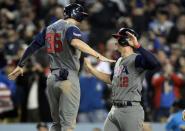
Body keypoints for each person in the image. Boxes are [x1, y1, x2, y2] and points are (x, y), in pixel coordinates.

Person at [8, 3, 114, 131]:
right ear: (75, 13)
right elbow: (75, 41)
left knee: (56, 124)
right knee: (68, 126)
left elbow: (33, 45)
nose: (82, 18)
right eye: (81, 14)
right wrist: (98, 55)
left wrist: (20, 65)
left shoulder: (49, 28)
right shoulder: (71, 28)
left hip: (52, 79)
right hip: (68, 78)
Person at [84, 28, 160, 131]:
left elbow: (154, 63)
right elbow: (111, 79)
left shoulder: (136, 59)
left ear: (126, 41)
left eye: (118, 38)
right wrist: (91, 69)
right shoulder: (119, 60)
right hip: (114, 109)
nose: (116, 42)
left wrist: (138, 46)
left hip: (130, 110)